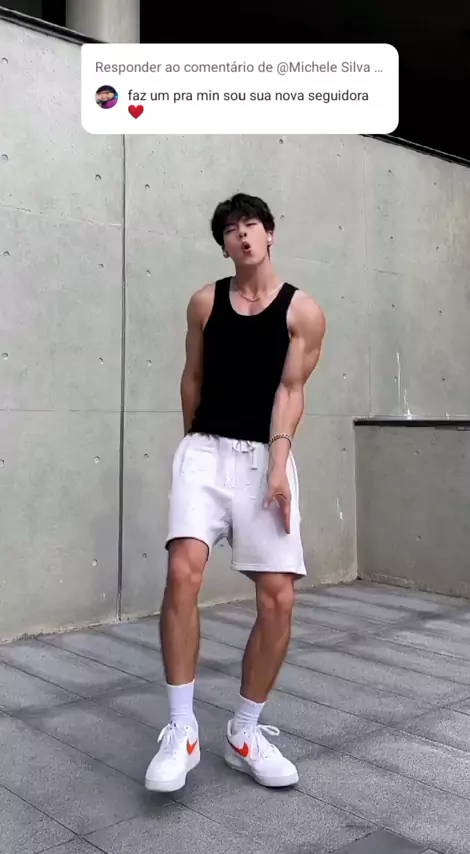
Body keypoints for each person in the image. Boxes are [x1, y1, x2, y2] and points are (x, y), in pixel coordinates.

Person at [145, 193, 326, 793]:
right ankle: (182, 730)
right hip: (205, 450)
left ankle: (244, 731)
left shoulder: (303, 311)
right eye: (230, 229)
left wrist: (277, 463)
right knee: (183, 571)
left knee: (278, 599)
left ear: (270, 234)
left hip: (265, 458)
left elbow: (291, 391)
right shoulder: (205, 302)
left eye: (251, 225)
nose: (242, 235)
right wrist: (193, 449)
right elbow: (192, 376)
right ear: (224, 245)